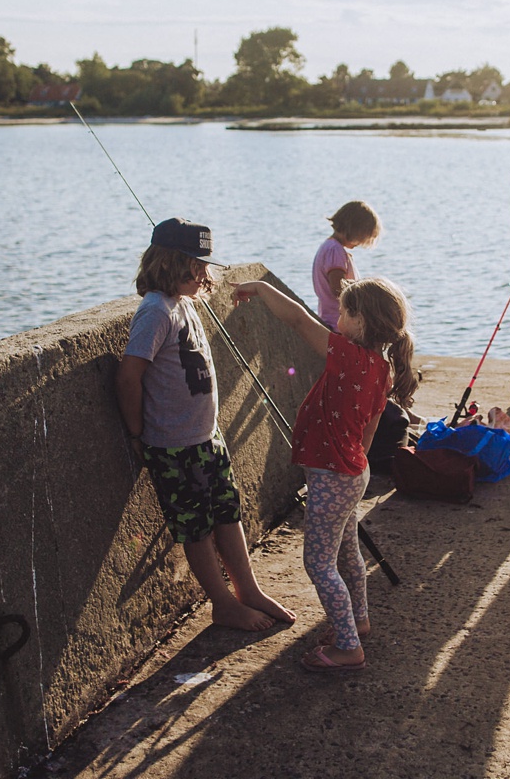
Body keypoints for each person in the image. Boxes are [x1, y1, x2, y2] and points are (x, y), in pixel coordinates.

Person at [116, 218, 295, 632]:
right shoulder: (155, 312)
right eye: (193, 265)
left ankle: (247, 589)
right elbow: (128, 377)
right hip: (174, 445)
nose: (203, 273)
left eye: (204, 265)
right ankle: (222, 602)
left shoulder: (185, 304)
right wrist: (137, 434)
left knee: (227, 514)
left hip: (205, 438)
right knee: (195, 529)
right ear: (166, 263)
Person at [231, 276, 417, 672]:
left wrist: (260, 290)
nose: (336, 317)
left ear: (361, 321)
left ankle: (348, 647)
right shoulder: (381, 367)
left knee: (318, 564)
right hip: (352, 473)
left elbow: (298, 320)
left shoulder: (347, 355)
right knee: (348, 552)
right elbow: (371, 424)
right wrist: (356, 467)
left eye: (344, 311)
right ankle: (359, 620)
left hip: (334, 476)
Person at [312, 200, 382, 329]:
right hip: (339, 323)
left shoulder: (329, 247)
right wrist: (367, 290)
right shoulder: (335, 250)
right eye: (363, 236)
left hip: (331, 319)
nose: (361, 242)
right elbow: (338, 288)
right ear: (355, 229)